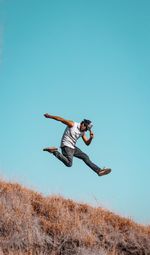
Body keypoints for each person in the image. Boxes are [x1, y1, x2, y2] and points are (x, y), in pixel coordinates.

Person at [43, 113, 111, 176]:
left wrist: (91, 138)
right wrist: (50, 116)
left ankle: (99, 171)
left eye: (87, 130)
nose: (85, 130)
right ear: (83, 124)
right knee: (69, 164)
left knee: (85, 157)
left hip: (72, 147)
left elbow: (87, 143)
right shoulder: (72, 124)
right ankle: (54, 151)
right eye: (86, 128)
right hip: (66, 146)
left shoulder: (82, 132)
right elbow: (61, 119)